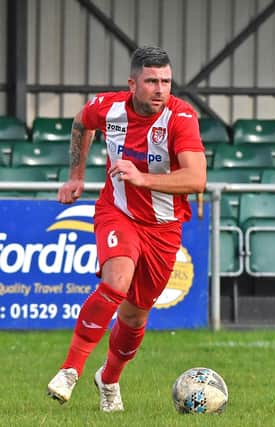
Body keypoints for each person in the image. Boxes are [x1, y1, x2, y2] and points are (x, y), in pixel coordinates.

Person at [47, 46, 206, 412]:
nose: (160, 89)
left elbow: (197, 178)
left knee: (135, 315)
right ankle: (70, 370)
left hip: (164, 228)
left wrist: (143, 178)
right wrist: (75, 176)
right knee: (116, 281)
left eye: (166, 81)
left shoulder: (181, 117)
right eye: (152, 81)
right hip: (117, 212)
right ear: (132, 83)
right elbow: (81, 123)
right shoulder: (109, 107)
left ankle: (109, 379)